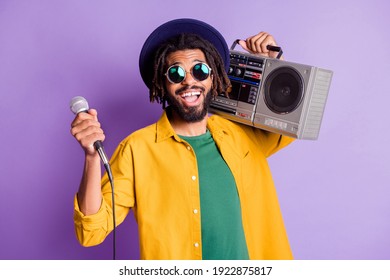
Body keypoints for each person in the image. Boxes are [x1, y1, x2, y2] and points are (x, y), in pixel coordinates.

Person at [70, 18, 294, 260]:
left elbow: (288, 122)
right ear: (162, 84)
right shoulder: (137, 150)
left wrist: (273, 64)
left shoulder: (242, 134)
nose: (189, 81)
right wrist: (92, 157)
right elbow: (90, 231)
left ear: (213, 78)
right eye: (176, 73)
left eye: (200, 70)